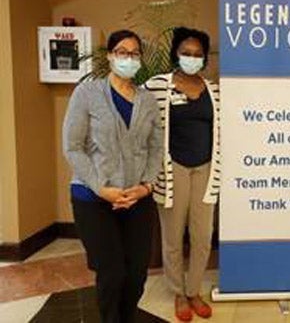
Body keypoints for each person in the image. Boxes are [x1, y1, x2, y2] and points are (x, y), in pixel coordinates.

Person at [63, 29, 163, 323]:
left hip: (137, 199)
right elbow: (73, 146)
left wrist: (146, 186)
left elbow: (156, 146)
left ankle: (126, 317)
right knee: (112, 273)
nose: (128, 58)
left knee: (136, 275)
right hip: (93, 198)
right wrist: (101, 188)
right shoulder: (87, 93)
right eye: (122, 51)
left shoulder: (147, 101)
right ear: (109, 56)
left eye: (134, 53)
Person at [144, 27, 220, 322]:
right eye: (186, 53)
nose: (192, 58)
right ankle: (178, 292)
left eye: (197, 54)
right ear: (176, 53)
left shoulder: (212, 89)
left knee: (202, 236)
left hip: (205, 168)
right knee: (173, 236)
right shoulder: (157, 86)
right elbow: (146, 128)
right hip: (172, 169)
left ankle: (194, 290)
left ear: (204, 58)